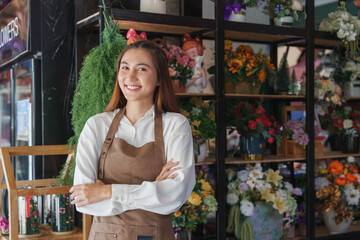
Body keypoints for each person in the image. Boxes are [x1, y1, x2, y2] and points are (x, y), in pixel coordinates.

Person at [69, 40, 196, 240]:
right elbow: (83, 199)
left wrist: (106, 191)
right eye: (125, 68)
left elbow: (174, 195)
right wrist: (153, 190)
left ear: (159, 78)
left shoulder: (176, 125)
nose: (130, 76)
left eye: (142, 69)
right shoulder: (97, 125)